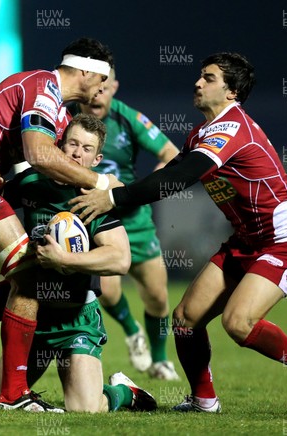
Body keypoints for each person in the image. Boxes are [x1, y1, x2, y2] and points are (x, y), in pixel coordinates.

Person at [69, 52, 287, 417]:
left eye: (208, 78)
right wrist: (115, 194)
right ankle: (204, 400)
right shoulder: (201, 133)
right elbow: (168, 174)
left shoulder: (232, 127)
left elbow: (180, 177)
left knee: (238, 323)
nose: (197, 82)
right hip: (247, 241)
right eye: (200, 76)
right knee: (186, 318)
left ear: (232, 92)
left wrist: (114, 197)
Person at [0, 38, 119, 411]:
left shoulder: (60, 113)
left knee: (27, 274)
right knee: (31, 275)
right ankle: (1, 376)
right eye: (102, 79)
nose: (103, 89)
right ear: (86, 71)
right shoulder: (43, 86)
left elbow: (41, 162)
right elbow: (40, 155)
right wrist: (102, 184)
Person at [0, 114, 157, 412]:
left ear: (97, 159)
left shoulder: (94, 197)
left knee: (84, 408)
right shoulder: (31, 182)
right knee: (0, 401)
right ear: (59, 146)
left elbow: (120, 258)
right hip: (32, 315)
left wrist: (65, 259)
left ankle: (125, 391)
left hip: (76, 318)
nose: (77, 153)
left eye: (86, 149)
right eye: (72, 143)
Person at [77, 68, 181, 379]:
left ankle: (161, 359)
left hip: (134, 219)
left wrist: (146, 186)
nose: (98, 94)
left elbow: (171, 152)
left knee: (158, 296)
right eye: (94, 87)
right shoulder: (67, 119)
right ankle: (132, 329)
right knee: (107, 291)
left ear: (114, 87)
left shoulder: (128, 118)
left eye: (105, 87)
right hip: (96, 219)